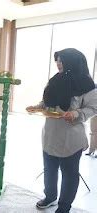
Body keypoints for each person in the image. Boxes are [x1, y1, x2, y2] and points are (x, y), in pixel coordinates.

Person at [26, 48, 97, 213]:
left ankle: (64, 207)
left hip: (71, 139)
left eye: (61, 60)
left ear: (73, 62)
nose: (58, 64)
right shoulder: (55, 80)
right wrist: (38, 106)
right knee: (49, 169)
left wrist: (76, 113)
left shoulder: (87, 85)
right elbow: (48, 100)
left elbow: (93, 108)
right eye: (57, 60)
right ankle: (50, 197)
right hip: (50, 134)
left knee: (69, 174)